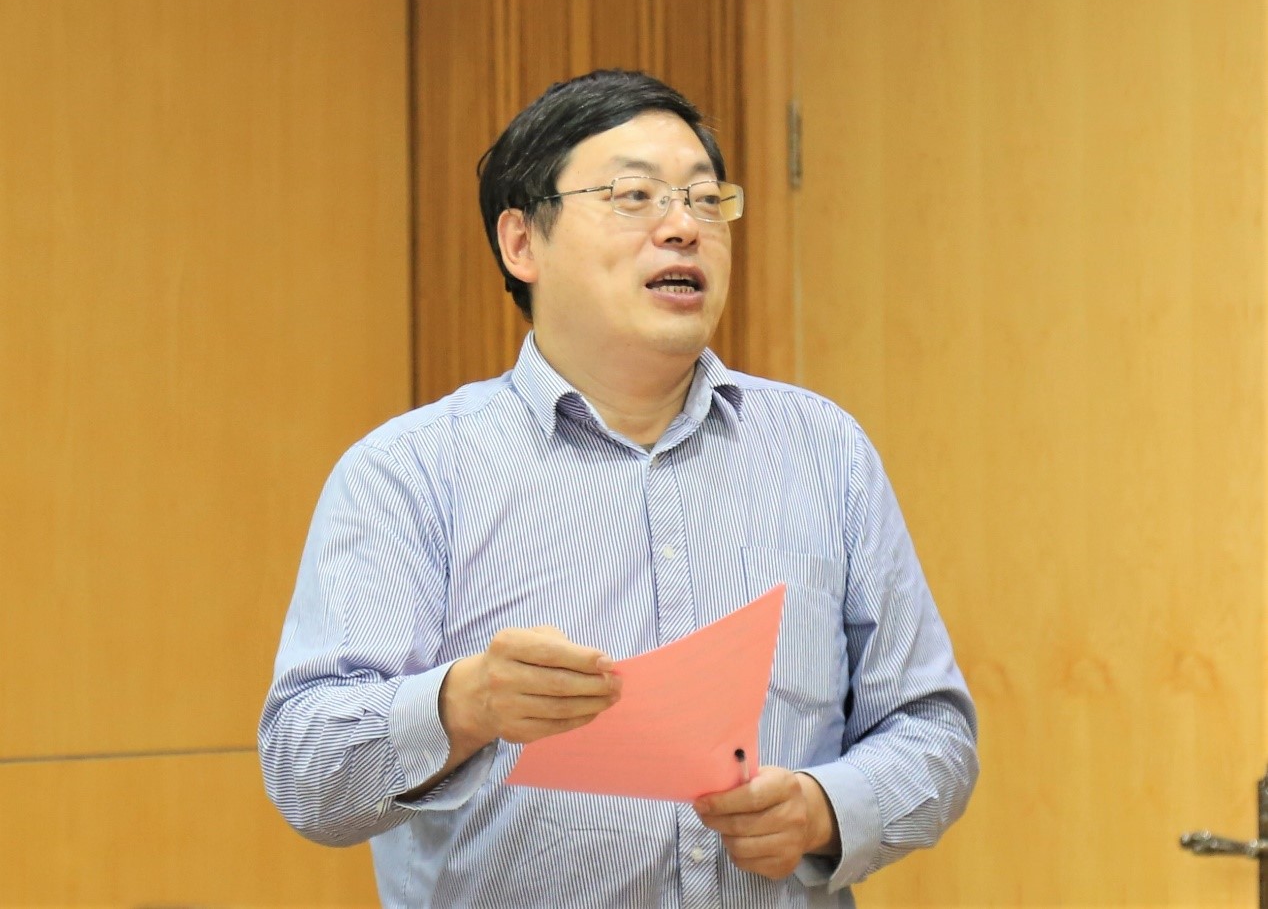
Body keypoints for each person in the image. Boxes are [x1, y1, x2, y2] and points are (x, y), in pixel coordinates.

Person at [259, 69, 978, 908]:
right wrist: (464, 704)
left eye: (705, 200)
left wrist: (825, 810)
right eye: (633, 196)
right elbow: (307, 771)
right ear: (521, 243)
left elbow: (933, 732)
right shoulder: (411, 473)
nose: (683, 227)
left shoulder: (824, 452)